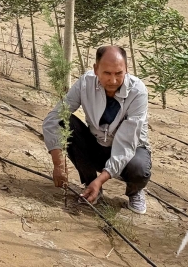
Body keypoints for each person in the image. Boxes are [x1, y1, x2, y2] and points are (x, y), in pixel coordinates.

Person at [42, 45, 151, 214]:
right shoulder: (85, 83)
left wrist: (101, 180)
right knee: (64, 121)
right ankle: (90, 184)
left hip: (130, 149)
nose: (113, 80)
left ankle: (134, 191)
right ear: (95, 69)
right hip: (97, 145)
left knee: (139, 168)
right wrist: (58, 164)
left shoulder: (138, 92)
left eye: (119, 73)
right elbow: (53, 119)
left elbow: (127, 143)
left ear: (126, 69)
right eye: (107, 73)